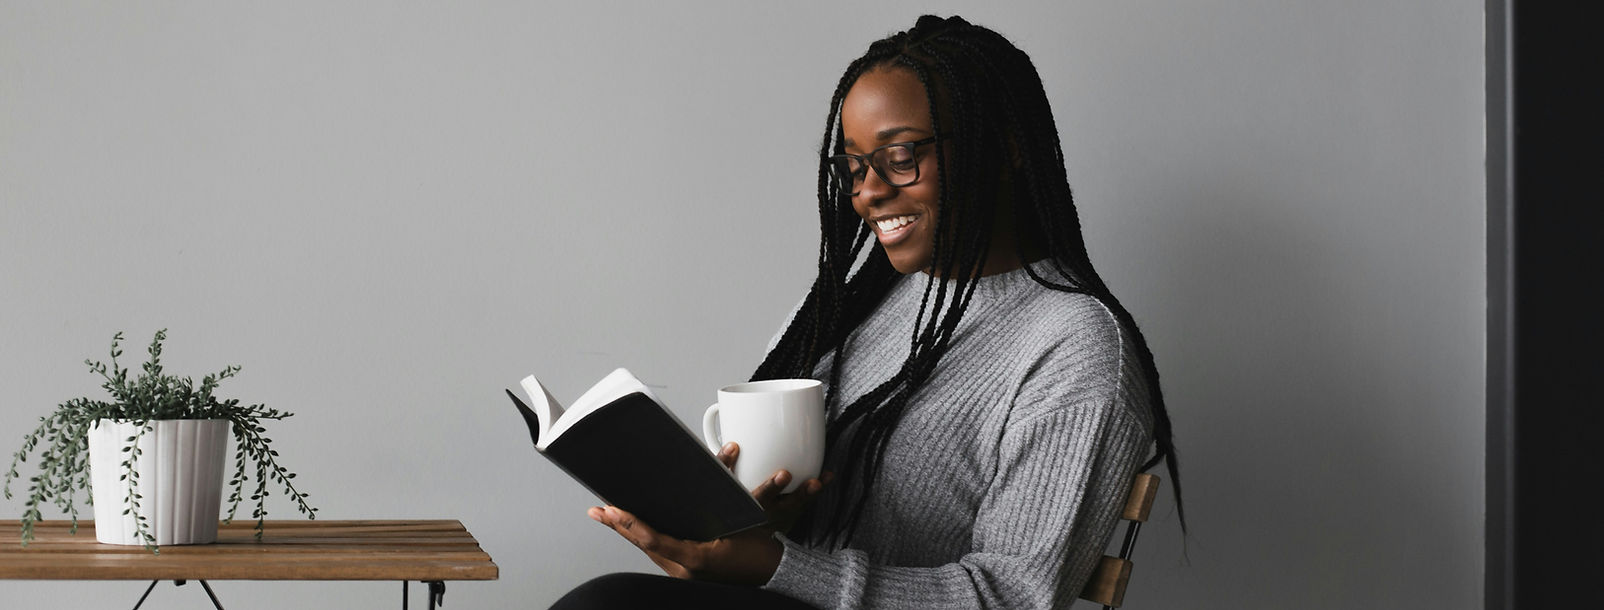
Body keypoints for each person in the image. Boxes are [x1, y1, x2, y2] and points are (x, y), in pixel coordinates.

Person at [552, 14, 1183, 610]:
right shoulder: (857, 304)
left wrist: (776, 565)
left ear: (1007, 147)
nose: (868, 191)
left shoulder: (1075, 349)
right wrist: (738, 529)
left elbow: (1014, 597)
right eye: (853, 166)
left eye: (901, 155)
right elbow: (789, 525)